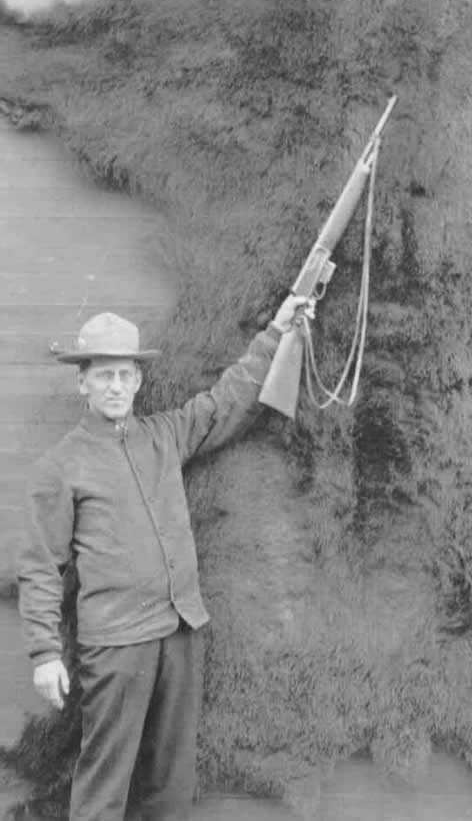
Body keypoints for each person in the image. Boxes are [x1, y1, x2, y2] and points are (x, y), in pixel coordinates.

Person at [16, 299, 306, 821]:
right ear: (82, 382)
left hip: (180, 631)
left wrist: (278, 330)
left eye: (124, 374)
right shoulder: (60, 466)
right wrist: (43, 653)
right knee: (105, 780)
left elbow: (228, 401)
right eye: (103, 375)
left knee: (172, 781)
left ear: (138, 381)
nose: (114, 386)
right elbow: (39, 565)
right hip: (115, 645)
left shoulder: (165, 435)